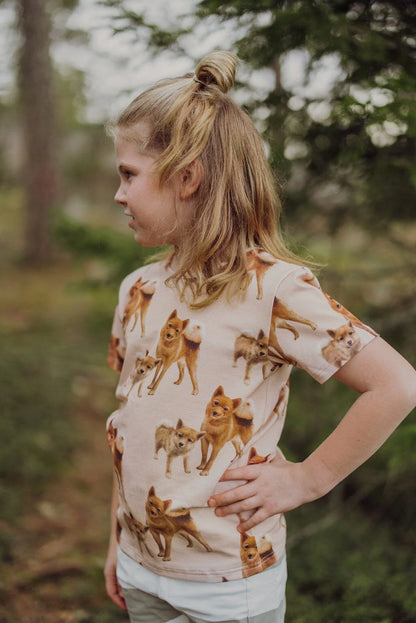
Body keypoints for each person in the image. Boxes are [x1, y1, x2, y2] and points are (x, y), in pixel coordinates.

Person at [103, 51, 416, 623]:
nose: (119, 194)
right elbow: (130, 426)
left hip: (228, 585)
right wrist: (117, 539)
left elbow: (397, 385)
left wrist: (308, 478)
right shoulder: (137, 290)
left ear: (187, 178)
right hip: (139, 566)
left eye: (129, 174)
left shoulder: (273, 289)